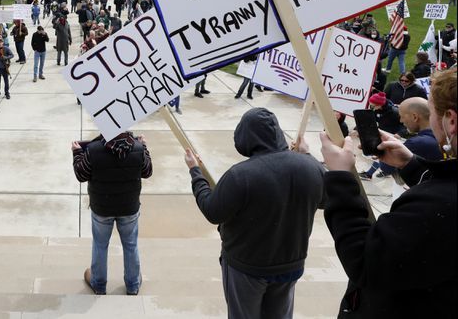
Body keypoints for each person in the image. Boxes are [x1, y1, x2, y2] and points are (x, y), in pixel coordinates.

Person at [318, 67, 456, 319]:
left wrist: (340, 177)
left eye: (433, 109)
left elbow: (364, 261)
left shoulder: (438, 207)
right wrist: (412, 166)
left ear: (451, 120)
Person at [184, 108, 325, 319]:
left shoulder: (239, 175)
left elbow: (212, 211)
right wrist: (306, 154)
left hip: (247, 266)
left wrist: (196, 172)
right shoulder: (312, 167)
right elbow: (326, 200)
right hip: (291, 263)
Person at [72, 131, 152, 296]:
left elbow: (81, 174)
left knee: (100, 245)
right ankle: (133, 284)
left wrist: (77, 153)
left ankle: (99, 284)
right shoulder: (137, 148)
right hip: (129, 207)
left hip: (102, 208)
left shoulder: (93, 149)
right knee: (131, 245)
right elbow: (147, 171)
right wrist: (144, 147)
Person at [359, 96, 441, 180]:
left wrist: (383, 152)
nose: (401, 120)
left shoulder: (416, 143)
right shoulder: (443, 137)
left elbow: (387, 168)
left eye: (401, 116)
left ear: (414, 117)